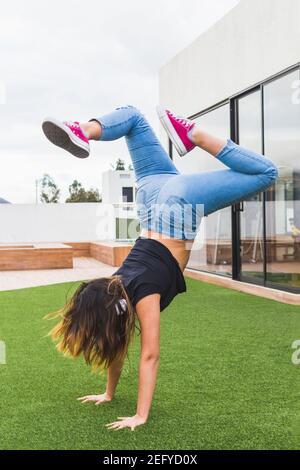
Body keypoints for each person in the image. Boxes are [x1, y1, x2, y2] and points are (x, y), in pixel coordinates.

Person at [42, 105, 278, 431]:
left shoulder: (142, 295)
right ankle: (83, 130)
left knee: (267, 173)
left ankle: (194, 134)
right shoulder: (115, 285)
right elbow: (117, 346)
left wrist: (141, 415)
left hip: (175, 209)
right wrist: (108, 394)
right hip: (153, 195)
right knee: (134, 118)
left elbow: (150, 355)